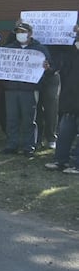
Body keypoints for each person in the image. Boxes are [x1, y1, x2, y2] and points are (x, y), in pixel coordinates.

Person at [0, 21, 52, 157]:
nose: (20, 34)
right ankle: (12, 145)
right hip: (11, 89)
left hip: (29, 89)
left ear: (30, 33)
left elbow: (50, 67)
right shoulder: (9, 48)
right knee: (11, 118)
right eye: (18, 32)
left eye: (23, 32)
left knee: (29, 119)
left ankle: (29, 146)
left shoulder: (39, 49)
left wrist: (47, 66)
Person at [45, 32, 79, 173]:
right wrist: (49, 69)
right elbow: (58, 68)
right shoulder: (71, 55)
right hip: (70, 102)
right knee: (64, 134)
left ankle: (76, 165)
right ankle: (61, 161)